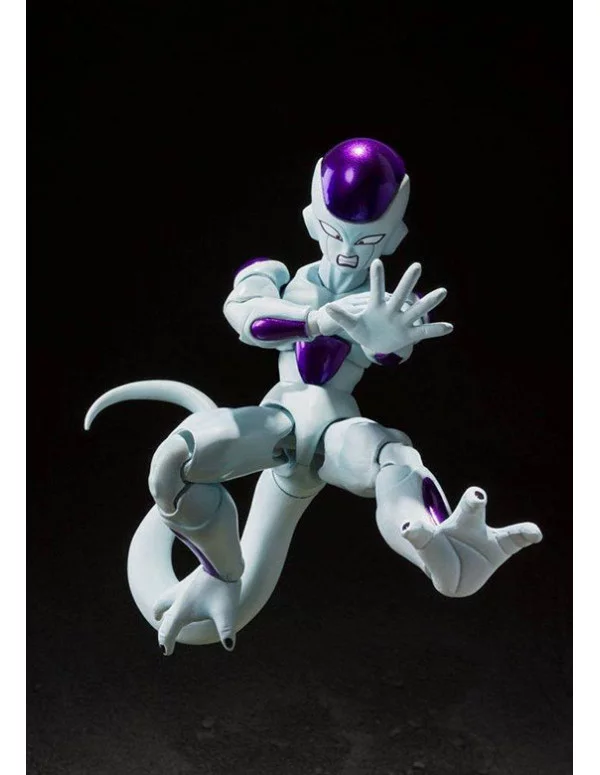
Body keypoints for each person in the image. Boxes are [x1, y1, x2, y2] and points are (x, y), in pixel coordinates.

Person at [85, 138, 542, 656]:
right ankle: (220, 573)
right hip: (274, 425)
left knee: (393, 457)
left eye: (369, 240)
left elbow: (393, 348)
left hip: (335, 435)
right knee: (173, 463)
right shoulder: (273, 276)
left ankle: (439, 545)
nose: (348, 251)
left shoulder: (387, 303)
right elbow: (248, 318)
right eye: (334, 232)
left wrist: (385, 340)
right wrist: (316, 320)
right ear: (311, 219)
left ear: (395, 236)